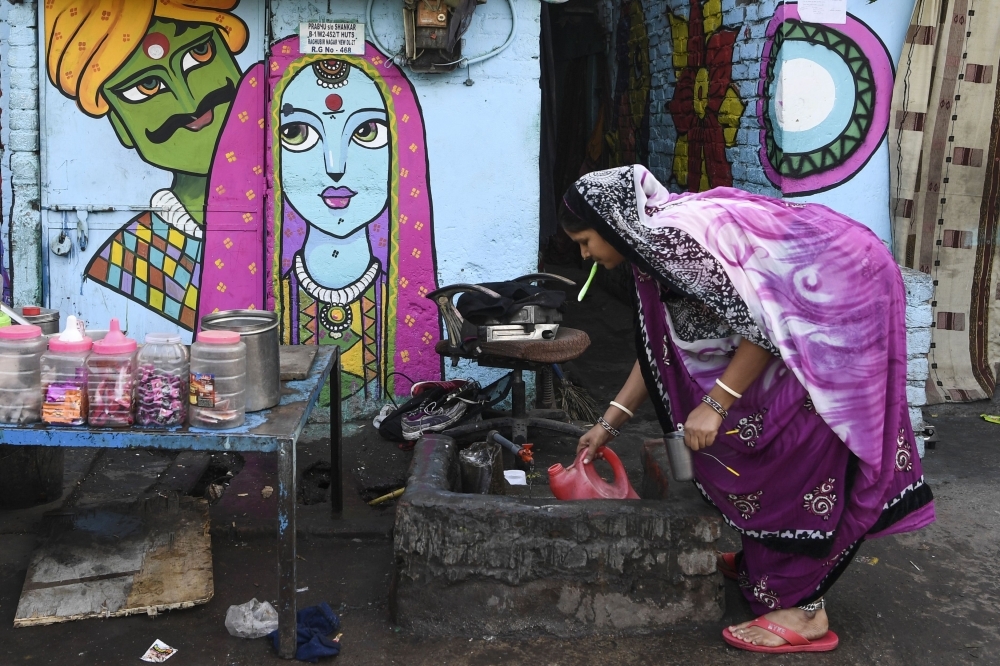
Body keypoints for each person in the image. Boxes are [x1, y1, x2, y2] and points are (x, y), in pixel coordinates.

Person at [563, 165, 934, 654]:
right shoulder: (652, 247)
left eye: (587, 241)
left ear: (613, 224)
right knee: (759, 438)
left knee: (803, 445)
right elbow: (661, 345)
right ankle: (770, 569)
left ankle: (806, 611)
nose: (586, 255)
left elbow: (763, 326)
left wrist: (715, 404)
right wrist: (609, 422)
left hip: (838, 295)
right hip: (807, 300)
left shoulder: (677, 246)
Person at [46, 0, 259, 329]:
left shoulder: (288, 222)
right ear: (120, 125)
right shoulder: (125, 264)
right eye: (146, 86)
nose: (190, 104)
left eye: (200, 52)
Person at [267, 38, 440, 400]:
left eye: (366, 132)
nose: (335, 167)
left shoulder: (393, 293)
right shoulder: (273, 296)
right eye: (297, 134)